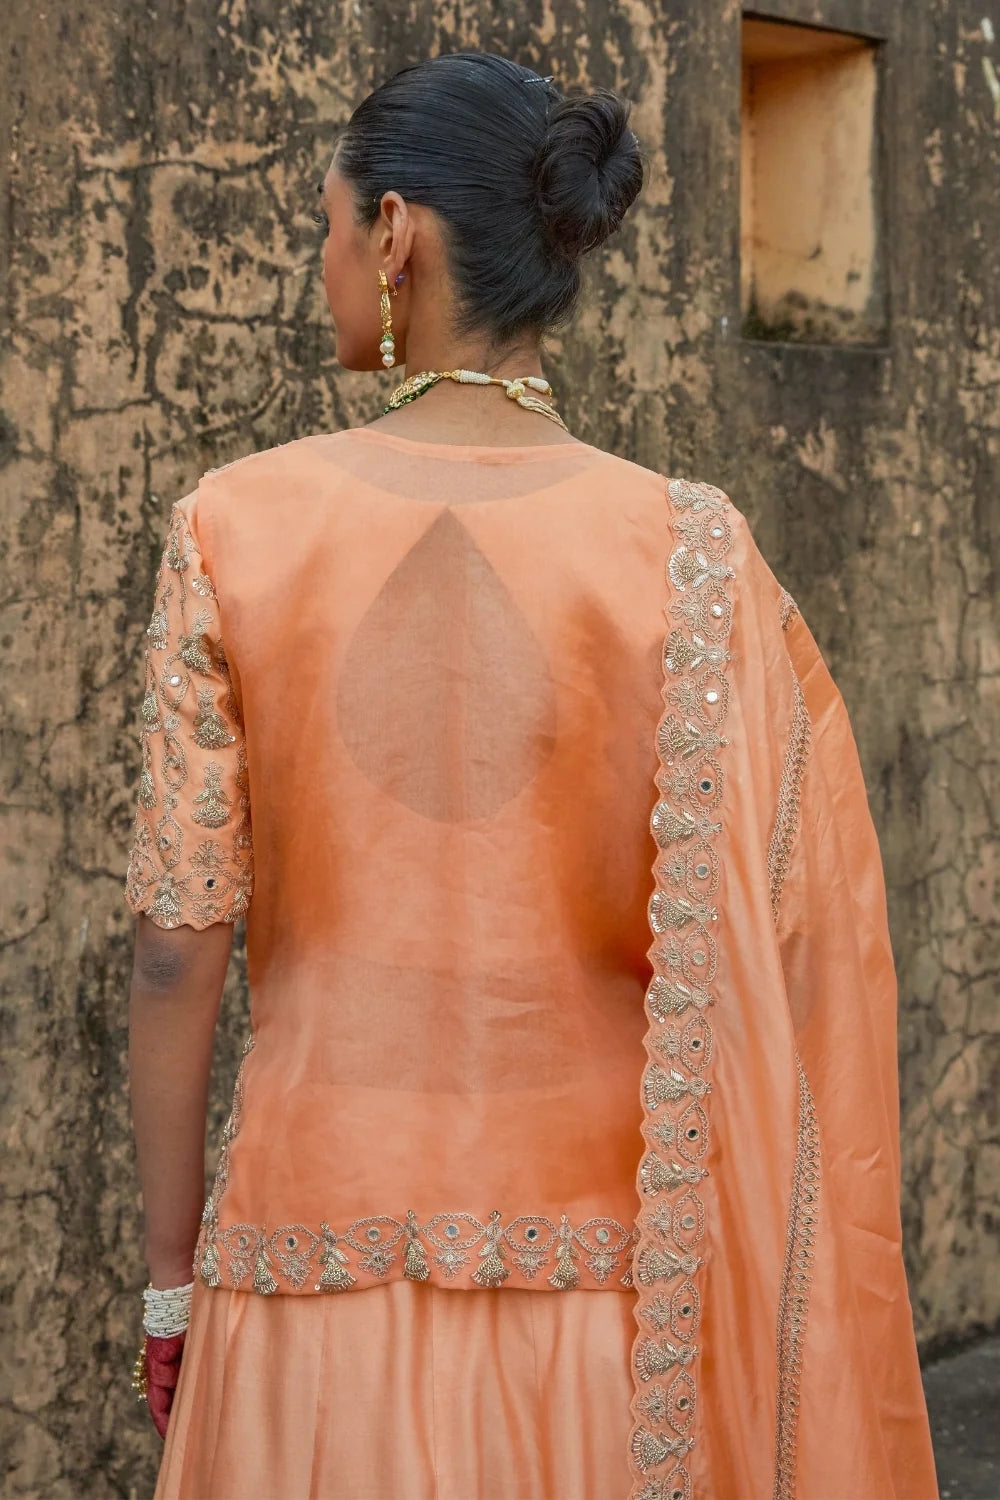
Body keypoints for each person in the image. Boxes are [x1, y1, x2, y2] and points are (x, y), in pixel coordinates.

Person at [123, 50, 939, 1500]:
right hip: (607, 1317)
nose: (321, 264)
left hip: (303, 1278)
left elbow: (176, 953)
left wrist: (170, 1281)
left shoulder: (232, 528)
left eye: (327, 227)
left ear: (395, 234)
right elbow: (797, 942)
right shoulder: (691, 551)